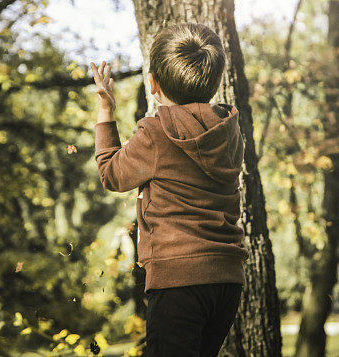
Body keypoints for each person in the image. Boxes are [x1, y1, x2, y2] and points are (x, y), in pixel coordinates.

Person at [90, 22, 248, 357]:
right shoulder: (230, 129)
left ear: (153, 83)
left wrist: (106, 111)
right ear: (217, 80)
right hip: (227, 280)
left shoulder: (155, 133)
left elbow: (111, 174)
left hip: (178, 278)